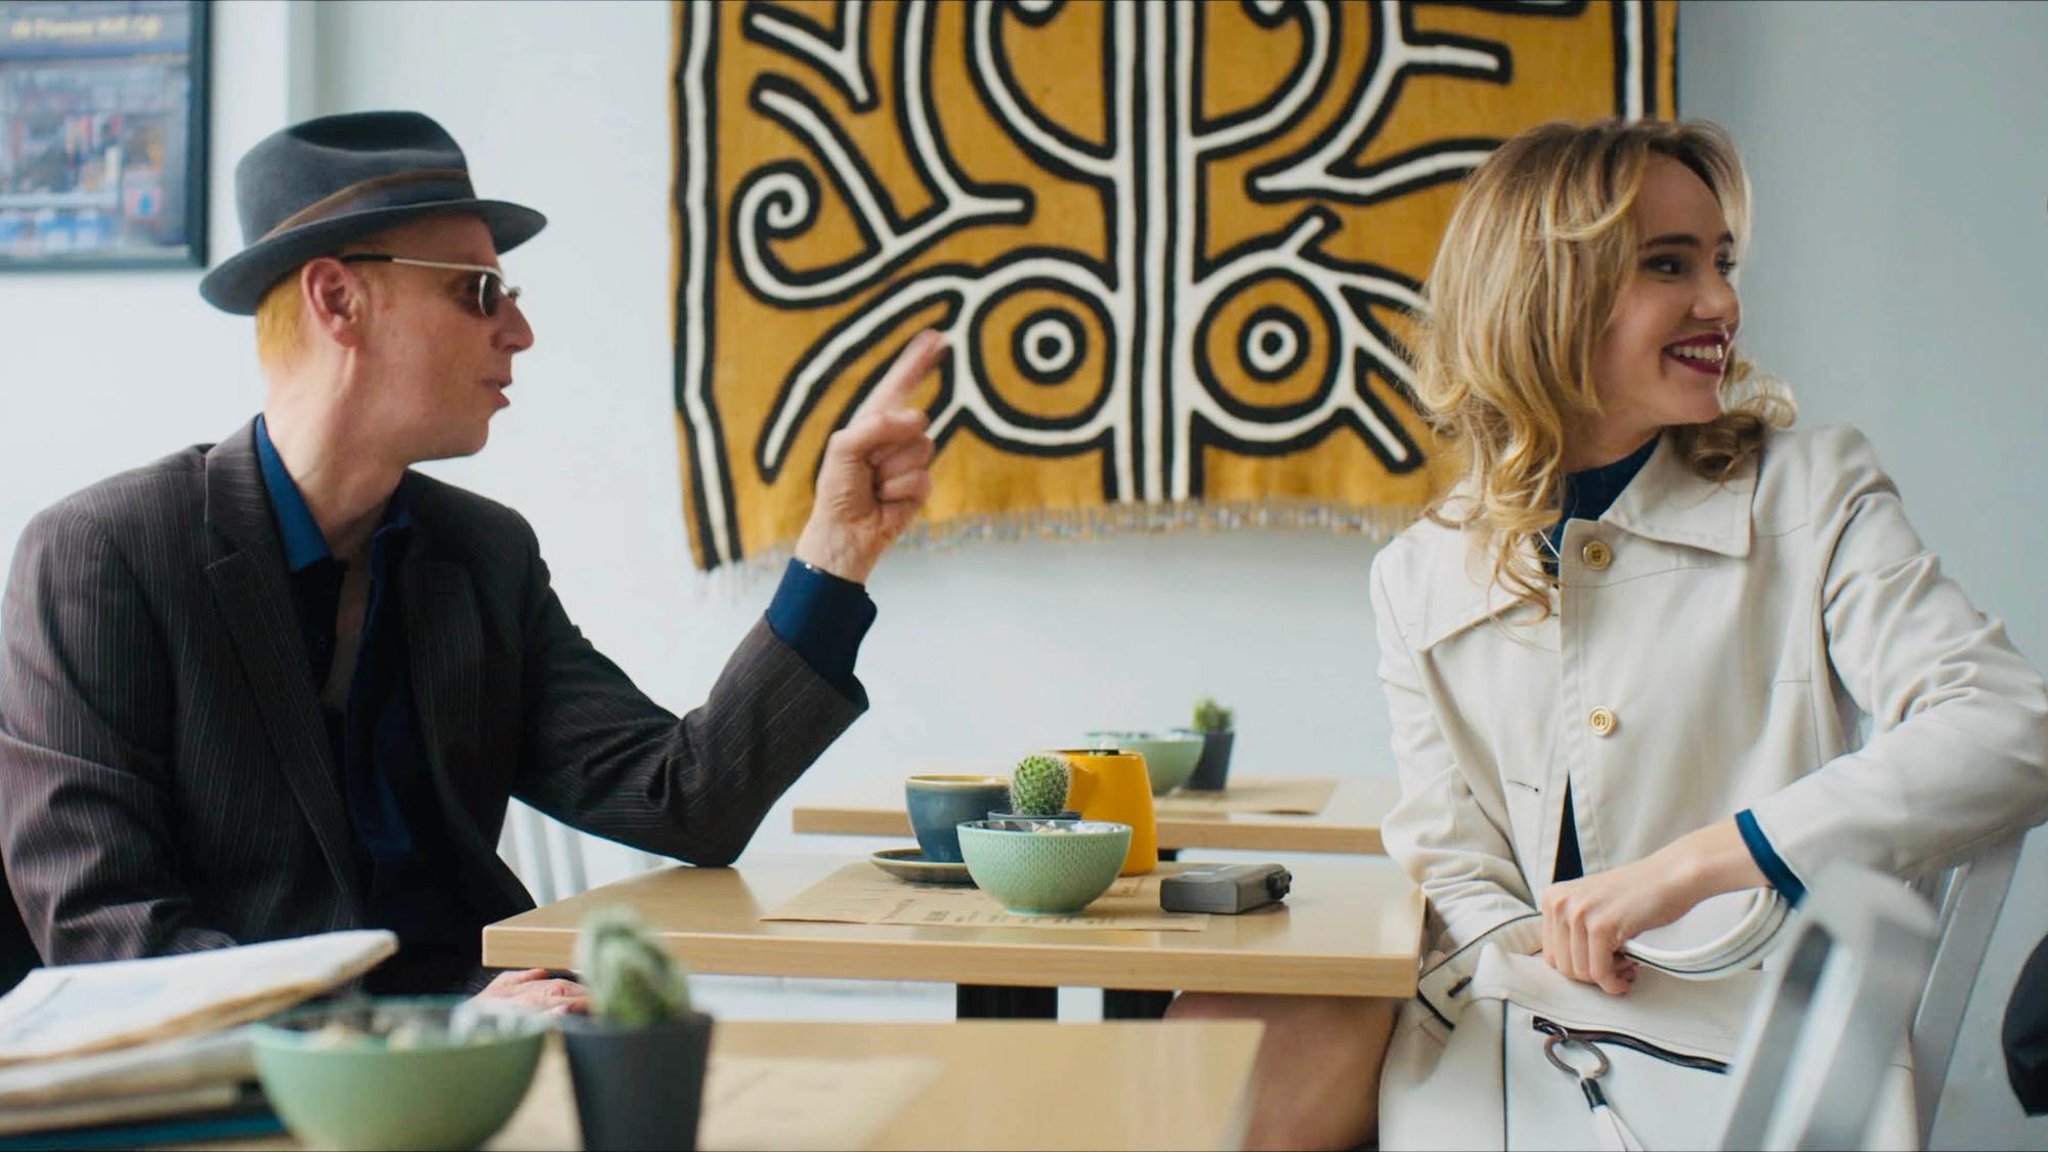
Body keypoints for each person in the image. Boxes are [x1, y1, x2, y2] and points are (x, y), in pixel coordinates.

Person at [1171, 116, 2048, 1150]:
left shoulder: (1811, 493)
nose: (1720, 302)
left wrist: (1694, 866)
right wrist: (1533, 955)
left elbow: (2008, 727)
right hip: (1515, 1023)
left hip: (1748, 1047)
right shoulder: (1417, 573)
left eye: (1720, 262)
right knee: (1207, 1044)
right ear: (1546, 295)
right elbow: (1455, 866)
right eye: (1668, 265)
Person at [0, 111, 944, 1012]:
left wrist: (833, 556)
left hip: (498, 1046)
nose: (519, 333)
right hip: (254, 1081)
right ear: (338, 300)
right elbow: (108, 937)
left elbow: (686, 801)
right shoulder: (103, 555)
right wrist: (430, 1024)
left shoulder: (484, 554)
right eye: (479, 292)